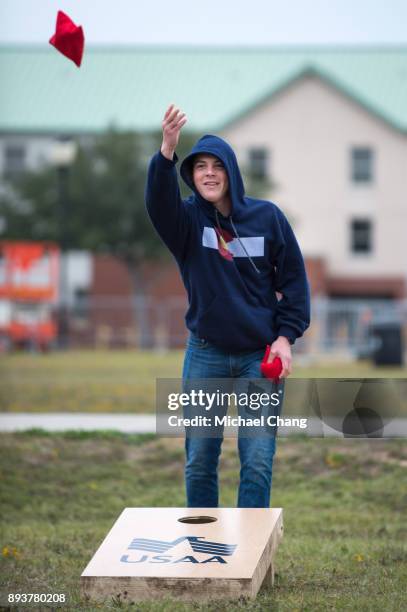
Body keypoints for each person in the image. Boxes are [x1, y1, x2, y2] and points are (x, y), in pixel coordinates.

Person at [145, 104, 310, 508]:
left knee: (256, 460)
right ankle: (205, 557)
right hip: (206, 354)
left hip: (260, 355)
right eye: (200, 166)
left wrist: (285, 338)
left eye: (217, 165)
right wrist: (166, 152)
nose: (208, 173)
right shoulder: (187, 223)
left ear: (231, 172)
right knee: (199, 459)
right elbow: (158, 206)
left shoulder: (268, 217)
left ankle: (250, 563)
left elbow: (294, 284)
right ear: (192, 175)